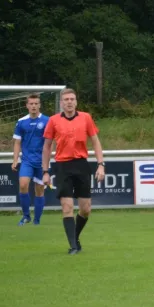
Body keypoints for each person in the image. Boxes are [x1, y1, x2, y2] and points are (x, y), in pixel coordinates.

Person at [41, 88, 106, 255]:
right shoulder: (54, 121)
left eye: (72, 99)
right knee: (67, 206)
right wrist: (45, 171)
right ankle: (73, 246)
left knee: (85, 209)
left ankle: (75, 237)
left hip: (81, 165)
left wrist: (101, 164)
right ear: (61, 103)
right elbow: (47, 147)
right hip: (62, 167)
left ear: (76, 102)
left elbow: (96, 142)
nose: (69, 102)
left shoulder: (86, 118)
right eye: (66, 99)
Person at [12, 93, 50, 225]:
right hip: (27, 161)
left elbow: (51, 142)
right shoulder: (21, 122)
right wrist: (15, 160)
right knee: (23, 185)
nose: (33, 106)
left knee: (39, 190)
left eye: (36, 103)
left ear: (39, 105)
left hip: (41, 162)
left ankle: (37, 220)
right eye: (31, 104)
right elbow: (17, 142)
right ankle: (26, 216)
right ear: (27, 105)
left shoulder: (47, 121)